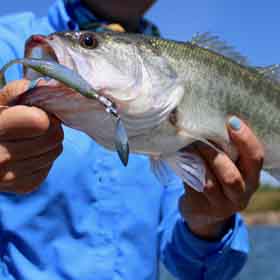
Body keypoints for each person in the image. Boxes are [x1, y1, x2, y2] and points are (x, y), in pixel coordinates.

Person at [0, 0, 264, 279]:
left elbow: (196, 270)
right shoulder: (8, 42)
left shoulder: (176, 70)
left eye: (89, 43)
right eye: (89, 42)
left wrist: (209, 221)